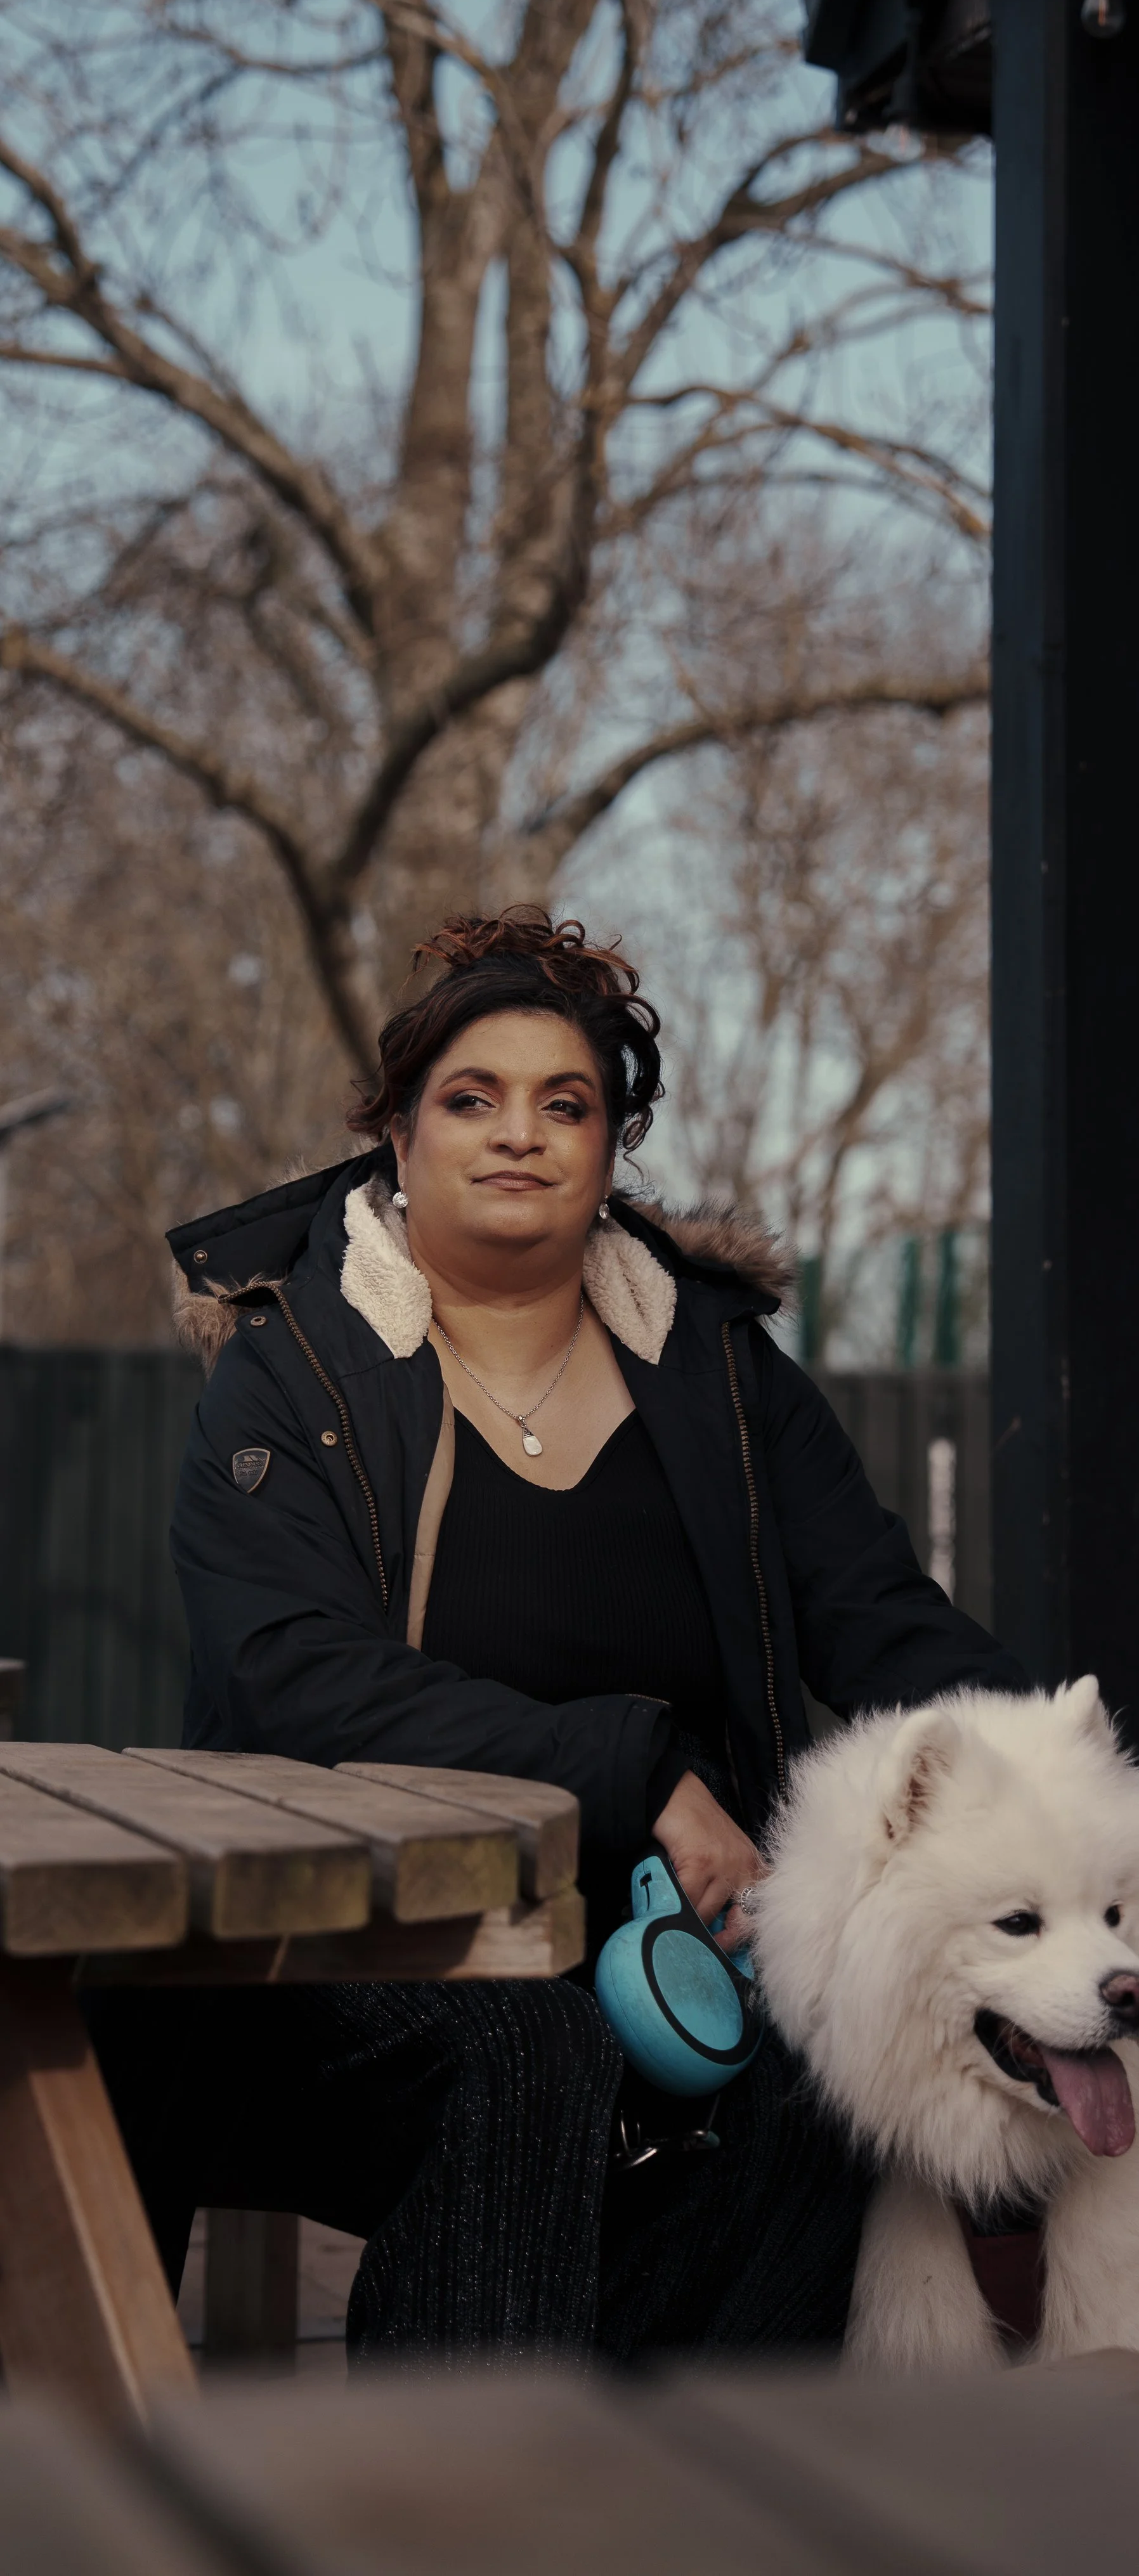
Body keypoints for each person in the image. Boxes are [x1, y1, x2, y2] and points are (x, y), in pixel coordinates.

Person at [89, 909, 1030, 2366]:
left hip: (678, 1940)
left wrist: (1068, 1796)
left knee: (826, 2075)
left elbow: (883, 1621)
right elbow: (293, 1679)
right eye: (471, 1099)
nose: (516, 1134)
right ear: (396, 1137)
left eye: (564, 1103)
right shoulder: (291, 1370)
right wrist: (634, 1762)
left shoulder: (718, 1374)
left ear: (610, 1146)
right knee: (528, 2044)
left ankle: (652, 2495)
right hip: (343, 1936)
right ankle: (459, 2505)